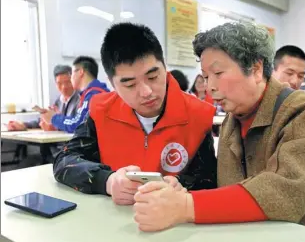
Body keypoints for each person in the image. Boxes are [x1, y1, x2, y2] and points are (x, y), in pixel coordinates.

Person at [131, 22, 305, 242]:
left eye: (218, 73)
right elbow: (227, 188)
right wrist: (182, 190)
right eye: (206, 76)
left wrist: (186, 205)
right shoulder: (232, 119)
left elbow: (285, 192)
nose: (210, 86)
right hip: (256, 240)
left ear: (256, 69)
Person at [52, 23, 217, 203]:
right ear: (112, 84)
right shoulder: (100, 111)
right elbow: (64, 160)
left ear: (164, 66)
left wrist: (181, 184)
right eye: (130, 84)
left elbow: (208, 176)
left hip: (174, 222)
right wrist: (107, 180)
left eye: (153, 77)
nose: (146, 91)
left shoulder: (198, 115)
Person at [40, 56, 110, 133]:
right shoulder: (93, 92)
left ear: (80, 72)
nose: (71, 78)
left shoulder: (93, 94)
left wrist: (54, 118)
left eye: (72, 73)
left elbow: (77, 125)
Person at [7, 65, 80, 131]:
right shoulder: (59, 101)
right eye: (59, 83)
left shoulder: (81, 99)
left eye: (68, 82)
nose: (64, 87)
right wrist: (23, 125)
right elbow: (42, 121)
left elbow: (79, 126)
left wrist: (57, 127)